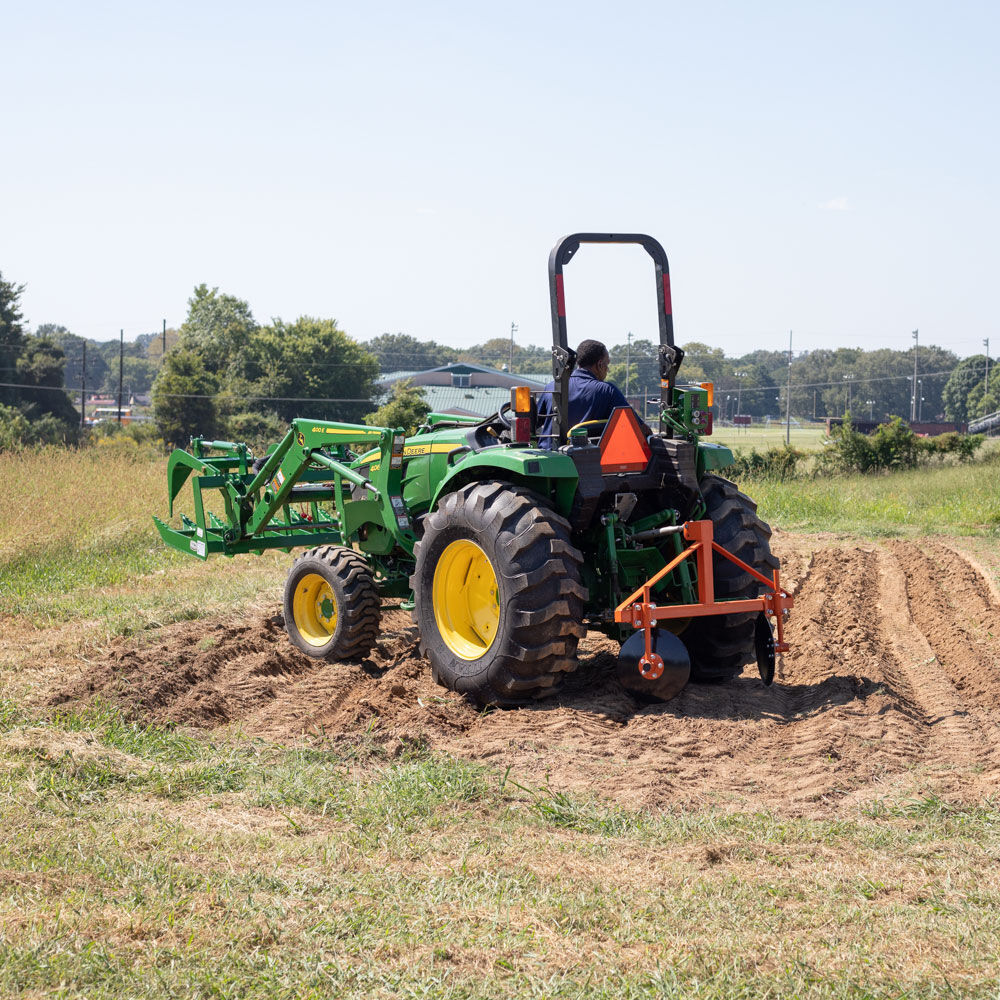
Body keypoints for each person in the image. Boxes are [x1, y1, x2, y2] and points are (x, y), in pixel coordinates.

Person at [535, 339, 652, 449]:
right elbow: (639, 429)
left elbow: (535, 423)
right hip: (588, 462)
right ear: (600, 365)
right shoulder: (607, 391)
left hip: (548, 458)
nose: (608, 370)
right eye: (607, 364)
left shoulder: (552, 387)